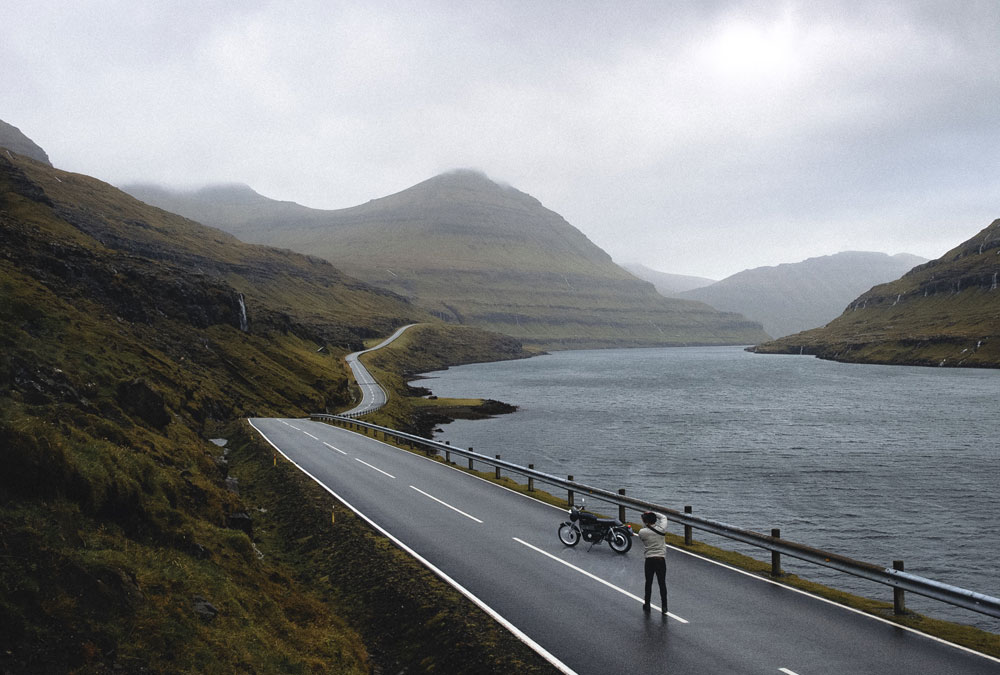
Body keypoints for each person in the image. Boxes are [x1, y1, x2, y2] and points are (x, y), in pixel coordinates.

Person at [637, 511, 668, 615]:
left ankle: (647, 604)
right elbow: (663, 517)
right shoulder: (662, 529)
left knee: (648, 583)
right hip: (660, 559)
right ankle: (664, 606)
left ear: (645, 521)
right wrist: (653, 512)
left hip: (649, 559)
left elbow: (642, 537)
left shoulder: (642, 532)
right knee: (662, 583)